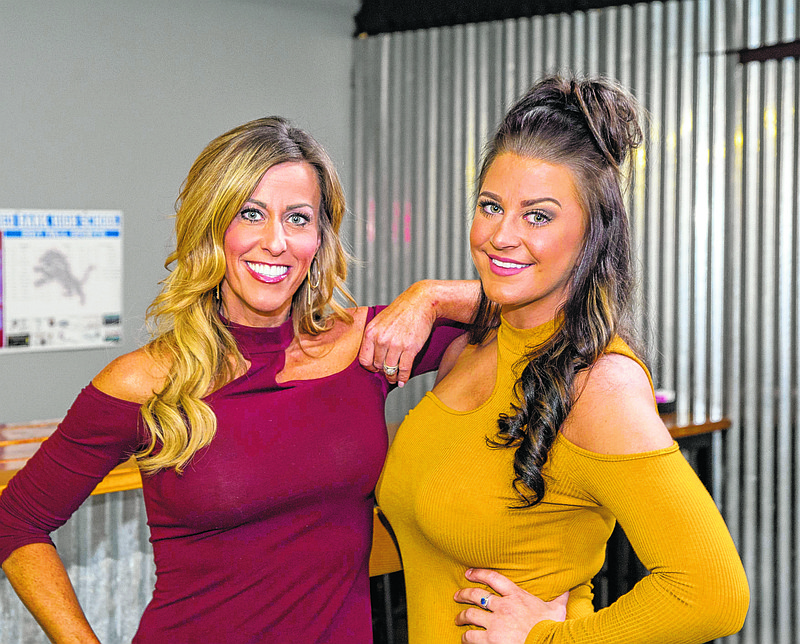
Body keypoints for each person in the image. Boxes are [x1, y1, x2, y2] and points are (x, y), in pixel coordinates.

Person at [0, 117, 475, 643]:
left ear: (320, 236)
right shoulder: (147, 380)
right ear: (213, 226)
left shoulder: (366, 344)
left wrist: (433, 296)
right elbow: (15, 520)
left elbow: (548, 307)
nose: (276, 242)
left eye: (298, 218)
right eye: (251, 214)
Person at [375, 75, 750, 643]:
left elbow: (713, 594)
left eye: (539, 215)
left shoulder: (601, 386)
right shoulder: (470, 350)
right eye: (491, 206)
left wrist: (545, 640)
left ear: (591, 234)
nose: (502, 235)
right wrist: (431, 293)